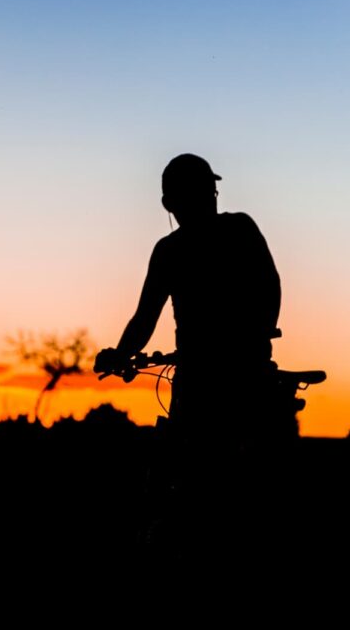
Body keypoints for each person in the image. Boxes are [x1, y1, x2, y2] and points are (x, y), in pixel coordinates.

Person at [94, 153, 282, 440]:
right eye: (205, 192)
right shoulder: (237, 230)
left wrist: (120, 354)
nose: (210, 199)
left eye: (209, 192)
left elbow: (144, 319)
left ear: (168, 204)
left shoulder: (172, 250)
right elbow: (270, 287)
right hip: (238, 370)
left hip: (214, 378)